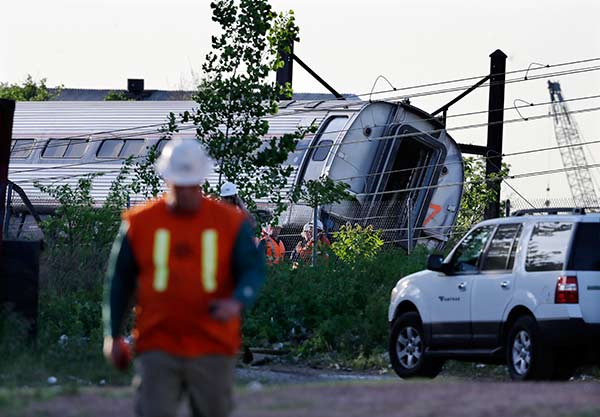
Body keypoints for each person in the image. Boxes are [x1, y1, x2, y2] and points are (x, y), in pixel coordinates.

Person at [103, 138, 265, 417]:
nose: (185, 191)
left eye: (191, 183)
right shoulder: (140, 223)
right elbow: (119, 281)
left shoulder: (228, 222)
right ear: (167, 179)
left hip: (212, 343)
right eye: (179, 183)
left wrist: (237, 301)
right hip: (158, 342)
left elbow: (253, 269)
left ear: (201, 181)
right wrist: (112, 335)